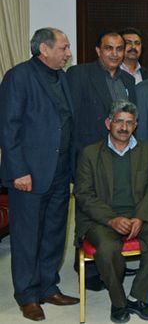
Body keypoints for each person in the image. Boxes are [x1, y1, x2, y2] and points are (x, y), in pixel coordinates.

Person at [0, 28, 79, 321]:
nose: (68, 53)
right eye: (64, 48)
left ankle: (48, 287)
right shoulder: (18, 76)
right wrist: (19, 170)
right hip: (29, 175)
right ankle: (27, 295)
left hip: (60, 172)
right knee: (27, 237)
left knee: (54, 234)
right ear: (44, 49)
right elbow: (8, 127)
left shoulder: (62, 77)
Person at [74, 100, 148, 323]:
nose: (124, 127)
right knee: (107, 247)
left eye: (129, 123)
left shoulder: (147, 150)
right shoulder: (90, 153)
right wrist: (111, 219)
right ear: (108, 123)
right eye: (119, 121)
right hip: (101, 219)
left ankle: (139, 298)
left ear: (136, 125)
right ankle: (118, 303)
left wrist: (140, 217)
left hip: (139, 214)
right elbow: (83, 194)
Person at [67, 31, 137, 154]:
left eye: (119, 49)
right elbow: (71, 119)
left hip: (122, 151)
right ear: (98, 51)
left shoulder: (129, 80)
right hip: (89, 152)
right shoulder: (79, 74)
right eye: (109, 48)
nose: (115, 54)